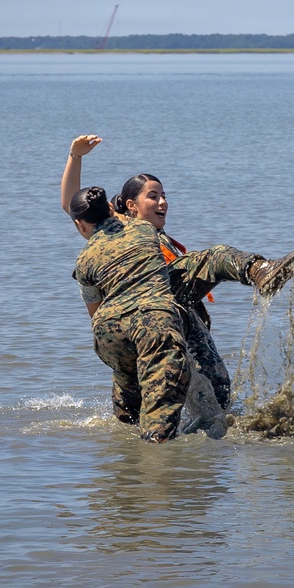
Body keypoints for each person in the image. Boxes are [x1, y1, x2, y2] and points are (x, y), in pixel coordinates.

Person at [62, 134, 294, 410]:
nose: (162, 203)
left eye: (164, 196)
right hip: (140, 315)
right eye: (153, 196)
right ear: (131, 206)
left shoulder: (159, 234)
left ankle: (197, 446)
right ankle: (261, 271)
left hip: (179, 314)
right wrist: (75, 156)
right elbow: (72, 206)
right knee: (214, 257)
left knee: (217, 391)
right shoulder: (117, 227)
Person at [70, 186, 191, 442]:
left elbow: (96, 313)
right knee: (160, 429)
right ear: (112, 209)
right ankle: (158, 465)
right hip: (154, 322)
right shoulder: (145, 229)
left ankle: (127, 469)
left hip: (109, 334)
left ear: (79, 225)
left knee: (129, 411)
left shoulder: (83, 261)